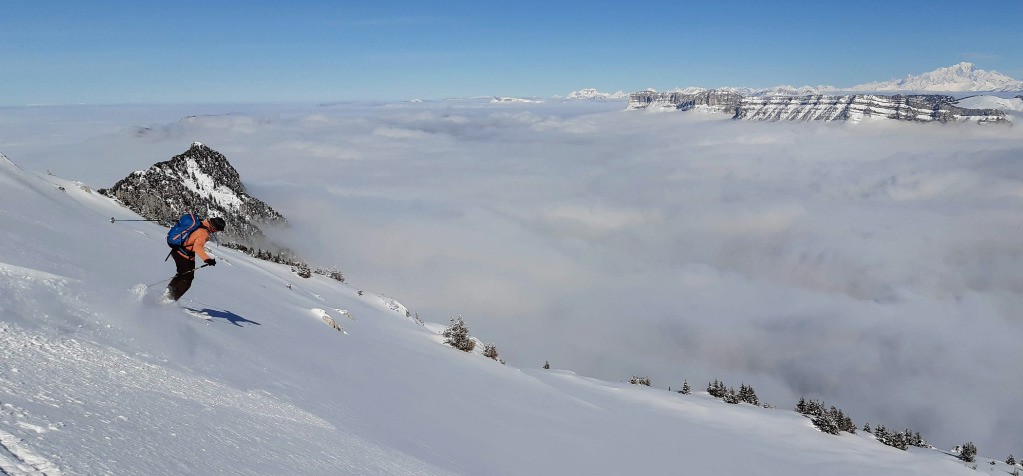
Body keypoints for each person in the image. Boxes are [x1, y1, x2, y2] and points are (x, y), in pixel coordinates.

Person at [165, 216, 226, 301]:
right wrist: (207, 259)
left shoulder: (200, 223)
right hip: (183, 254)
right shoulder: (204, 233)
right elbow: (197, 247)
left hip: (178, 250)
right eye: (217, 230)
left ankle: (169, 293)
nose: (216, 232)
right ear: (214, 228)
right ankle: (169, 299)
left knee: (182, 275)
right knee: (186, 279)